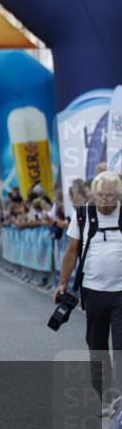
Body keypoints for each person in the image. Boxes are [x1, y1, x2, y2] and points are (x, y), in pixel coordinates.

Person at [54, 171, 122, 416]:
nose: (105, 200)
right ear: (93, 193)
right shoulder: (82, 215)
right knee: (97, 346)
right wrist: (63, 283)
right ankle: (104, 400)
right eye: (101, 194)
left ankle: (120, 396)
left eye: (110, 195)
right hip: (93, 292)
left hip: (120, 293)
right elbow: (71, 251)